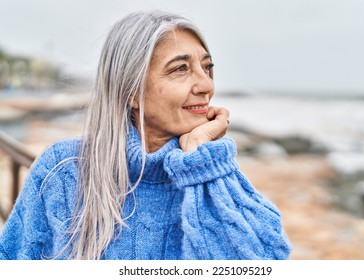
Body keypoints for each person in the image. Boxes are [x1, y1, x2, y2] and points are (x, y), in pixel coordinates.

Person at [0, 10, 291, 260]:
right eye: (180, 68)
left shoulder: (210, 173)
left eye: (207, 67)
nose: (206, 85)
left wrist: (204, 161)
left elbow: (267, 261)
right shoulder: (64, 171)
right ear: (131, 92)